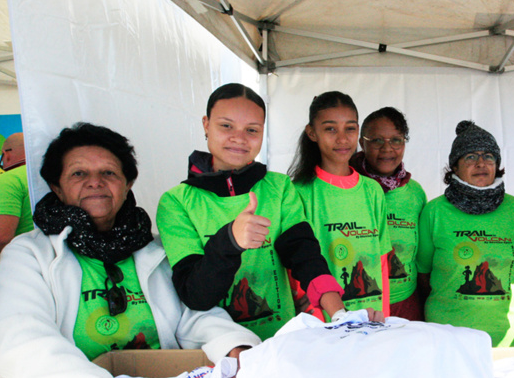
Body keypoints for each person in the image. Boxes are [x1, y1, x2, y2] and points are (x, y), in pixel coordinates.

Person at [0, 123, 260, 378]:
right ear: (56, 187)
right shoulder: (30, 254)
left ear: (127, 184)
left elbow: (194, 314)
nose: (95, 183)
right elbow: (21, 337)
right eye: (78, 174)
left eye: (109, 173)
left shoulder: (155, 248)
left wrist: (235, 347)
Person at [157, 84, 346, 340]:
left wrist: (339, 314)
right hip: (218, 353)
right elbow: (196, 295)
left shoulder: (279, 187)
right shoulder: (176, 202)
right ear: (205, 124)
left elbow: (304, 254)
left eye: (252, 130)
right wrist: (230, 241)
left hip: (281, 343)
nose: (239, 138)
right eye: (226, 126)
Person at [417, 120, 514, 347]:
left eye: (488, 156)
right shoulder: (435, 211)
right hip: (449, 334)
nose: (481, 163)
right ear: (455, 166)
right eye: (470, 157)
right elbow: (423, 273)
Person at [288, 91, 390, 320]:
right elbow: (296, 266)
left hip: (372, 318)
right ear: (312, 133)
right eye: (330, 129)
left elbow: (382, 261)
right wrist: (318, 318)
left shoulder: (372, 190)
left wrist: (385, 315)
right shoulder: (299, 192)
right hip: (326, 322)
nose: (342, 139)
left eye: (350, 128)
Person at [350, 107, 427, 321]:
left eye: (396, 140)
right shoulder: (347, 187)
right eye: (376, 141)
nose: (387, 149)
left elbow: (421, 256)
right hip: (357, 306)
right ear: (361, 143)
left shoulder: (415, 193)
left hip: (406, 304)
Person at [0, 132, 33, 256]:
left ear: (7, 155)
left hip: (16, 264)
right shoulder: (52, 176)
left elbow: (0, 237)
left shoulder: (9, 179)